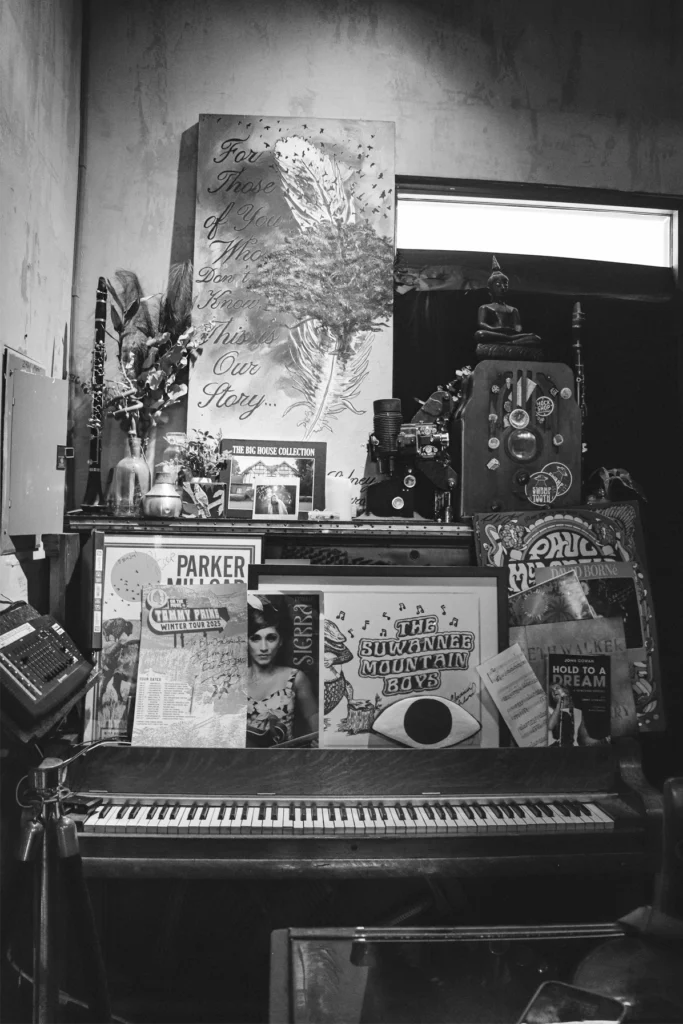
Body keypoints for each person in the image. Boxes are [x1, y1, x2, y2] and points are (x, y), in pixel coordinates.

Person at [246, 595, 318, 746]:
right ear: (246, 641)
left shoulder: (295, 678)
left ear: (280, 642)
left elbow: (315, 721)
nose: (264, 647)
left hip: (285, 762)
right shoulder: (232, 680)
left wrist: (319, 741)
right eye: (255, 638)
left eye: (271, 638)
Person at [475, 256, 544, 360]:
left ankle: (509, 341)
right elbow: (482, 324)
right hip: (495, 334)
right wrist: (498, 329)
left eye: (505, 285)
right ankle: (510, 341)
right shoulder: (485, 307)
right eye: (498, 285)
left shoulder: (513, 310)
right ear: (490, 289)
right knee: (480, 334)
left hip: (510, 335)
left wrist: (513, 331)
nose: (503, 288)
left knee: (536, 338)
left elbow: (518, 327)